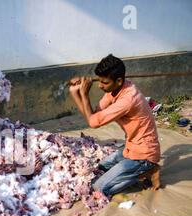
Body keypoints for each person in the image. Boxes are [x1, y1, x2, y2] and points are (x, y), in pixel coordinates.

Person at [68, 54, 161, 197]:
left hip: (144, 155)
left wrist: (84, 94)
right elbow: (92, 116)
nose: (100, 85)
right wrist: (75, 93)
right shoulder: (114, 90)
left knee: (98, 188)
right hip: (131, 148)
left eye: (104, 82)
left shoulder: (128, 99)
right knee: (100, 168)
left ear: (118, 81)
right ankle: (138, 170)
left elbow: (93, 123)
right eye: (99, 81)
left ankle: (147, 171)